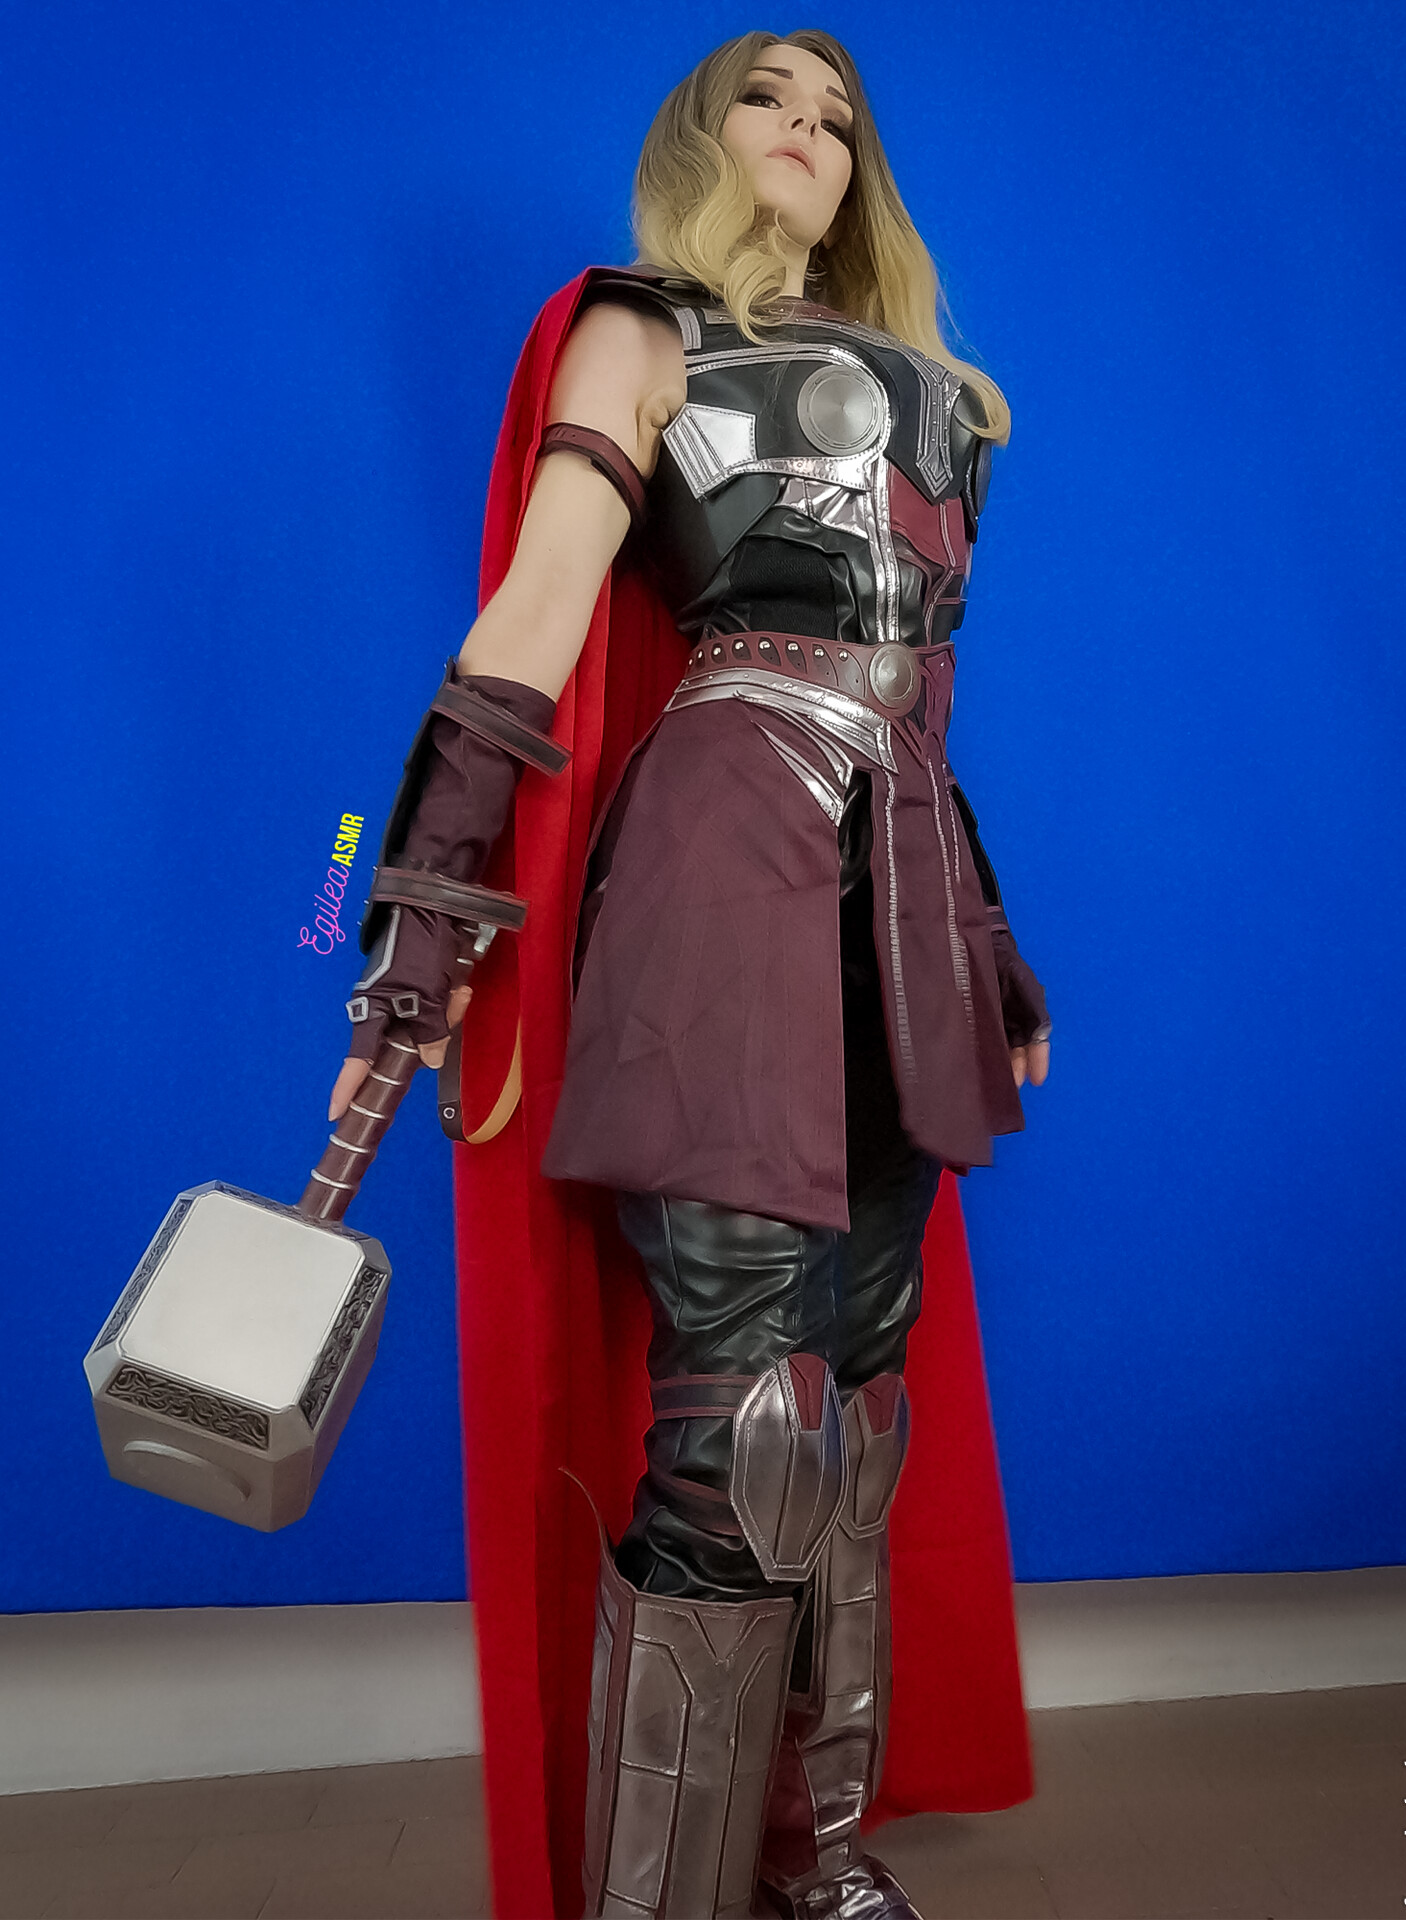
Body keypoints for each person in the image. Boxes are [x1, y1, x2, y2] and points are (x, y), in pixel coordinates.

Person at [330, 29, 1050, 1920]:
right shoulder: (641, 330)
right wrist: (407, 927)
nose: (807, 127)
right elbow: (532, 616)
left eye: (838, 113)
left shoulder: (944, 398)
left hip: (898, 907)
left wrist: (988, 941)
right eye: (768, 96)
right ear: (700, 134)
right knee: (744, 1426)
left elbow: (923, 707)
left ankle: (814, 1866)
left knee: (854, 1420)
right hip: (720, 874)